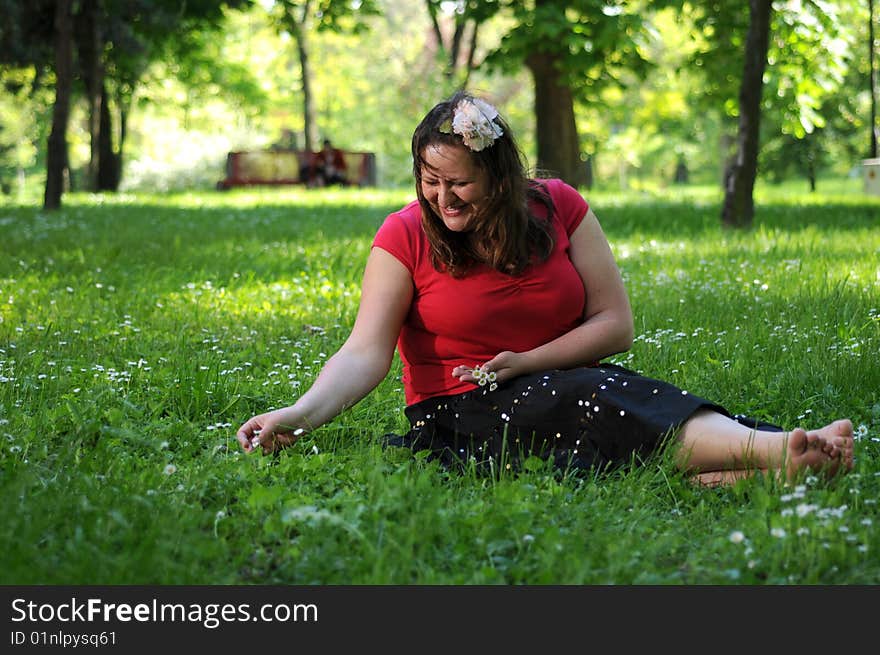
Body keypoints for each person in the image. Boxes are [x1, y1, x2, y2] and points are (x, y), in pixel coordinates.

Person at [236, 91, 855, 486]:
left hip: (558, 381)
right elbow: (364, 353)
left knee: (619, 394)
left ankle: (766, 464)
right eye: (430, 180)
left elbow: (616, 325)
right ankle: (775, 451)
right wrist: (297, 415)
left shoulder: (559, 206)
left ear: (499, 174)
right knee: (596, 400)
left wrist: (527, 362)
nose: (442, 198)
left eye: (460, 183)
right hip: (458, 414)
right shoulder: (403, 235)